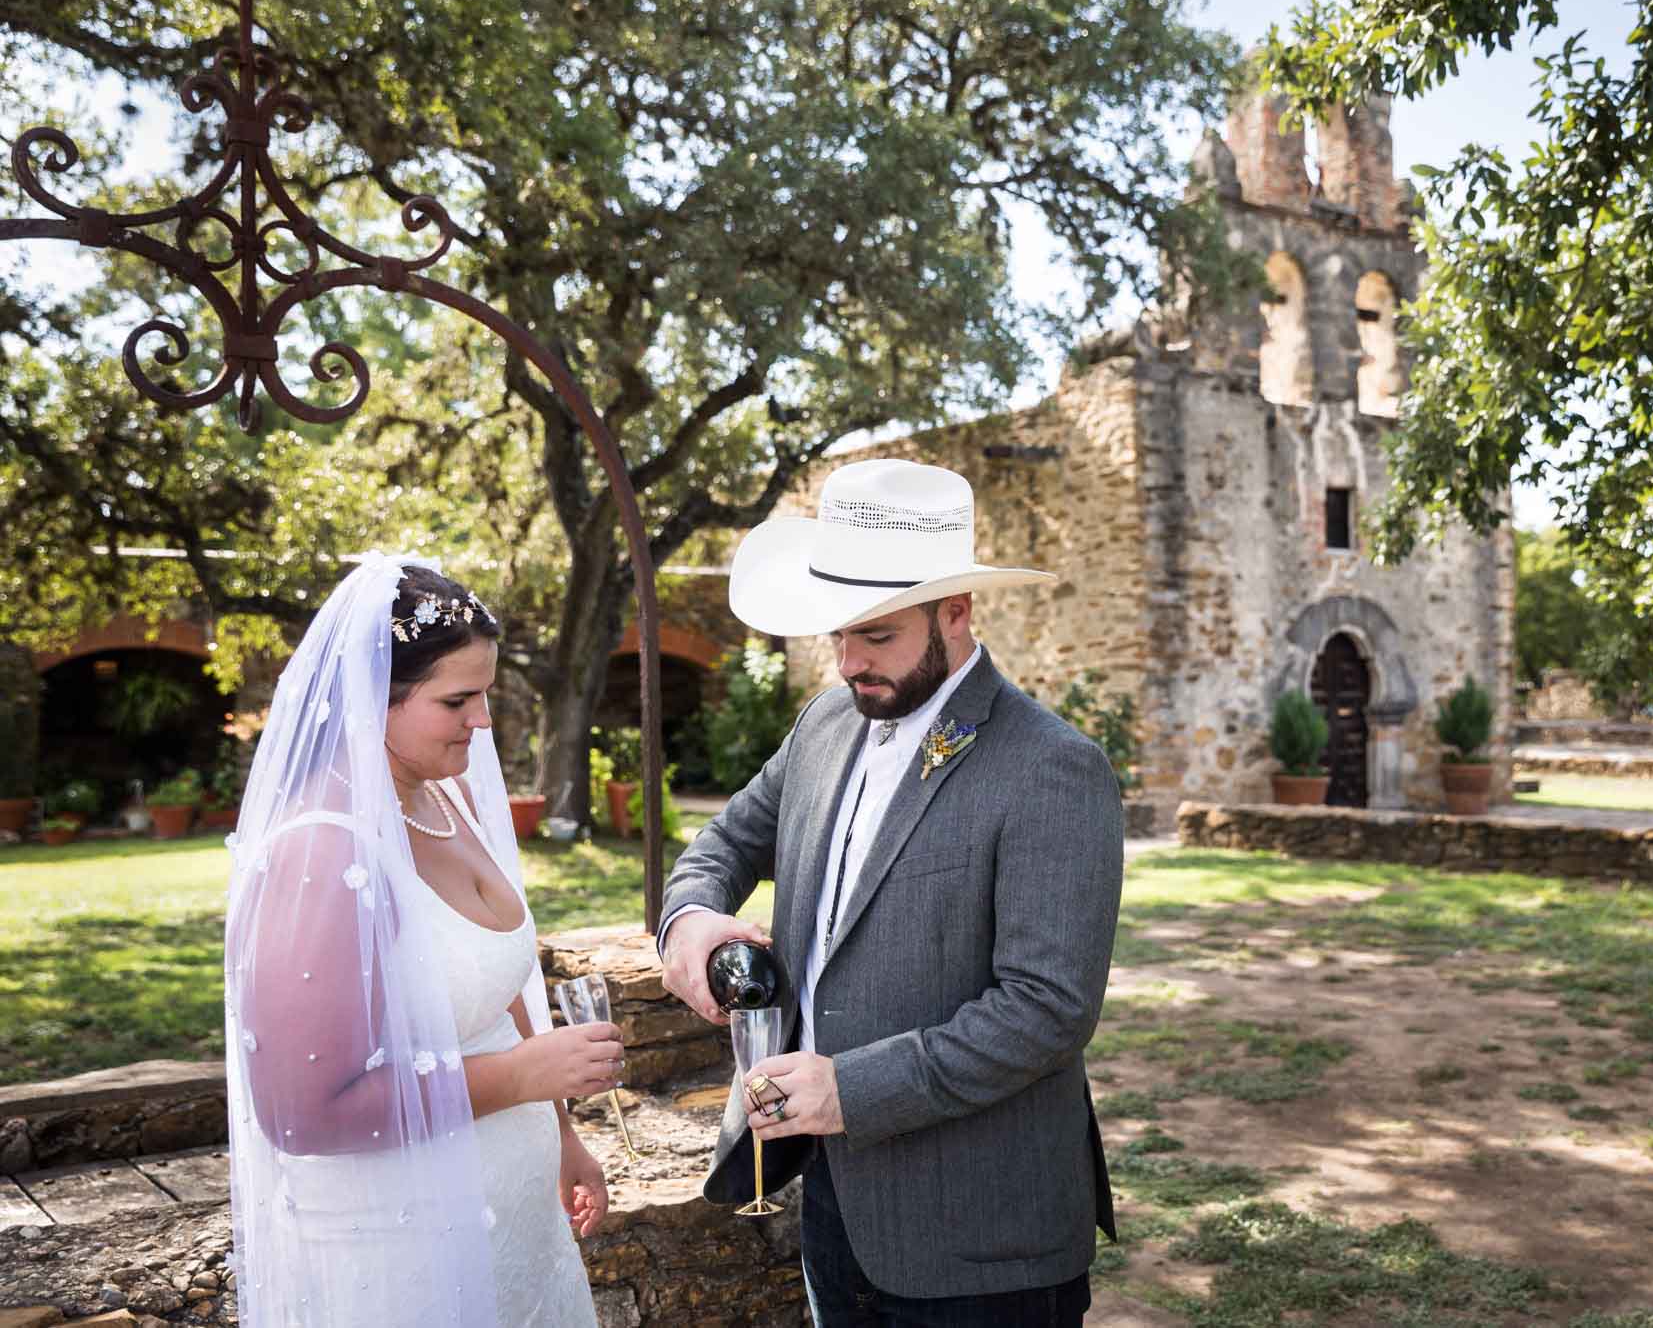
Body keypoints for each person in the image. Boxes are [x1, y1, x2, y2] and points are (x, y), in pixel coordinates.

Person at [656, 458, 1125, 1326]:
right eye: (838, 634)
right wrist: (690, 922)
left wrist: (851, 1090)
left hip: (984, 1241)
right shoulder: (824, 723)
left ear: (957, 611)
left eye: (877, 636)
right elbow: (722, 842)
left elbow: (1047, 1008)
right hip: (833, 1207)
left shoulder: (1055, 768)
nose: (848, 663)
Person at [223, 554, 620, 1327]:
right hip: (406, 1248)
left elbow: (502, 987)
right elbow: (301, 1112)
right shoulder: (320, 853)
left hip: (520, 1225)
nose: (483, 721)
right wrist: (517, 1077)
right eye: (457, 699)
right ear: (374, 698)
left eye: (486, 694)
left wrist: (563, 1132)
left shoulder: (450, 792)